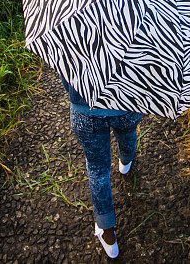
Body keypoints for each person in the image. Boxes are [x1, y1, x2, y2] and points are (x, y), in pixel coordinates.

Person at [60, 75, 144, 259]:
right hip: (127, 105)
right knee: (128, 133)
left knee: (98, 167)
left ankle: (108, 234)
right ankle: (126, 161)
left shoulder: (73, 44)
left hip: (85, 111)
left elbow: (65, 74)